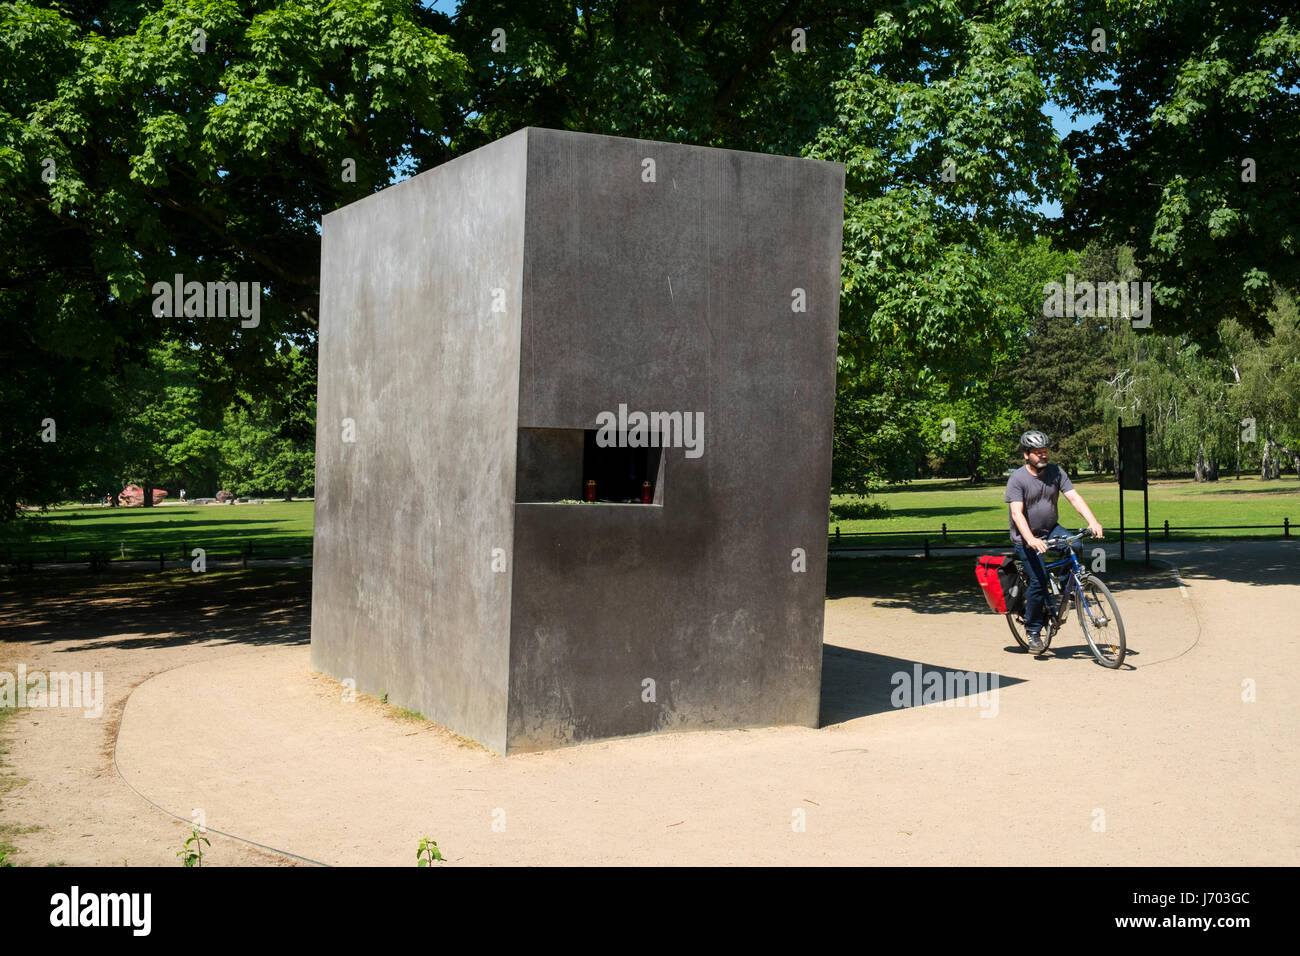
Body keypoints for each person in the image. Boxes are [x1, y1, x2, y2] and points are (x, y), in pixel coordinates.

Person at [1004, 430, 1104, 654]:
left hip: (1050, 530)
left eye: (1045, 452)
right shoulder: (1017, 479)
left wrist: (1093, 522)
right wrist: (1030, 540)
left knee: (1075, 544)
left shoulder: (1056, 472)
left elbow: (1074, 498)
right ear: (1026, 455)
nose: (1043, 456)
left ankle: (1065, 584)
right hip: (1025, 537)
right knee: (1038, 582)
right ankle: (1033, 631)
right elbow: (1017, 514)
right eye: (1038, 453)